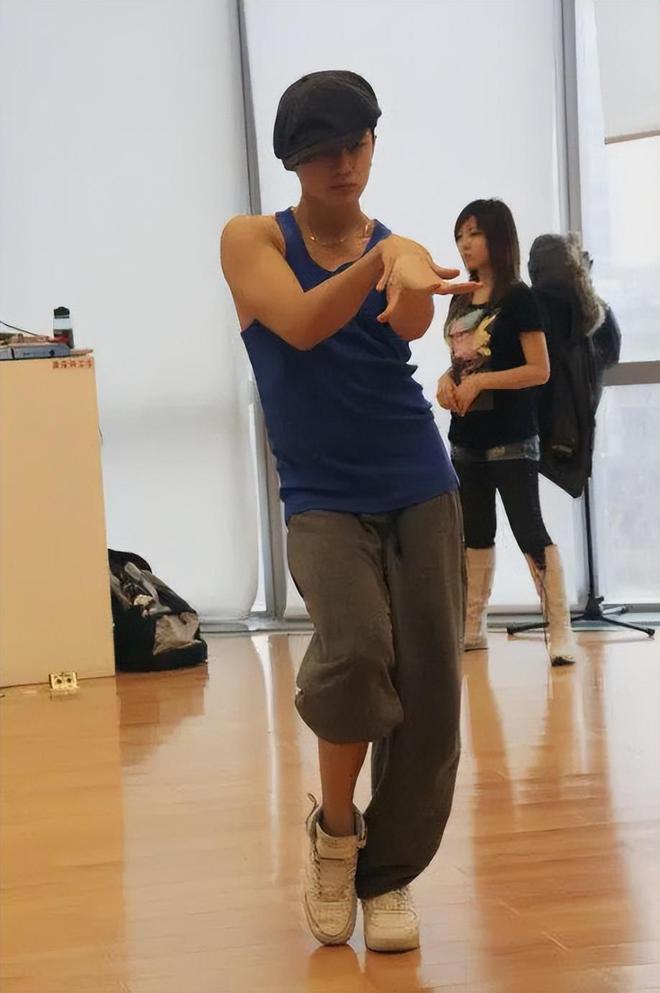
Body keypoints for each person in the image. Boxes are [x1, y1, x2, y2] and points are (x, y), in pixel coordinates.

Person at [221, 70, 477, 953]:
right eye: (323, 150)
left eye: (356, 145)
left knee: (433, 698)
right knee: (358, 652)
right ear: (293, 160)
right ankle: (336, 837)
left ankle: (388, 875)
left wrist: (405, 270)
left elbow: (408, 324)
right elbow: (296, 323)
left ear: (373, 142)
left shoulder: (397, 246)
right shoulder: (253, 238)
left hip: (418, 477)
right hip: (323, 493)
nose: (343, 164)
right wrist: (379, 260)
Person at [436, 199, 578, 666]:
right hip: (465, 436)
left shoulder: (519, 298)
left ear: (497, 238)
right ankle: (472, 626)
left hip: (512, 436)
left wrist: (482, 382)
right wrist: (447, 380)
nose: (464, 244)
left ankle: (560, 630)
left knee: (529, 530)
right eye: (460, 235)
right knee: (474, 533)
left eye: (474, 233)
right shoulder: (460, 298)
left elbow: (539, 369)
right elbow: (464, 363)